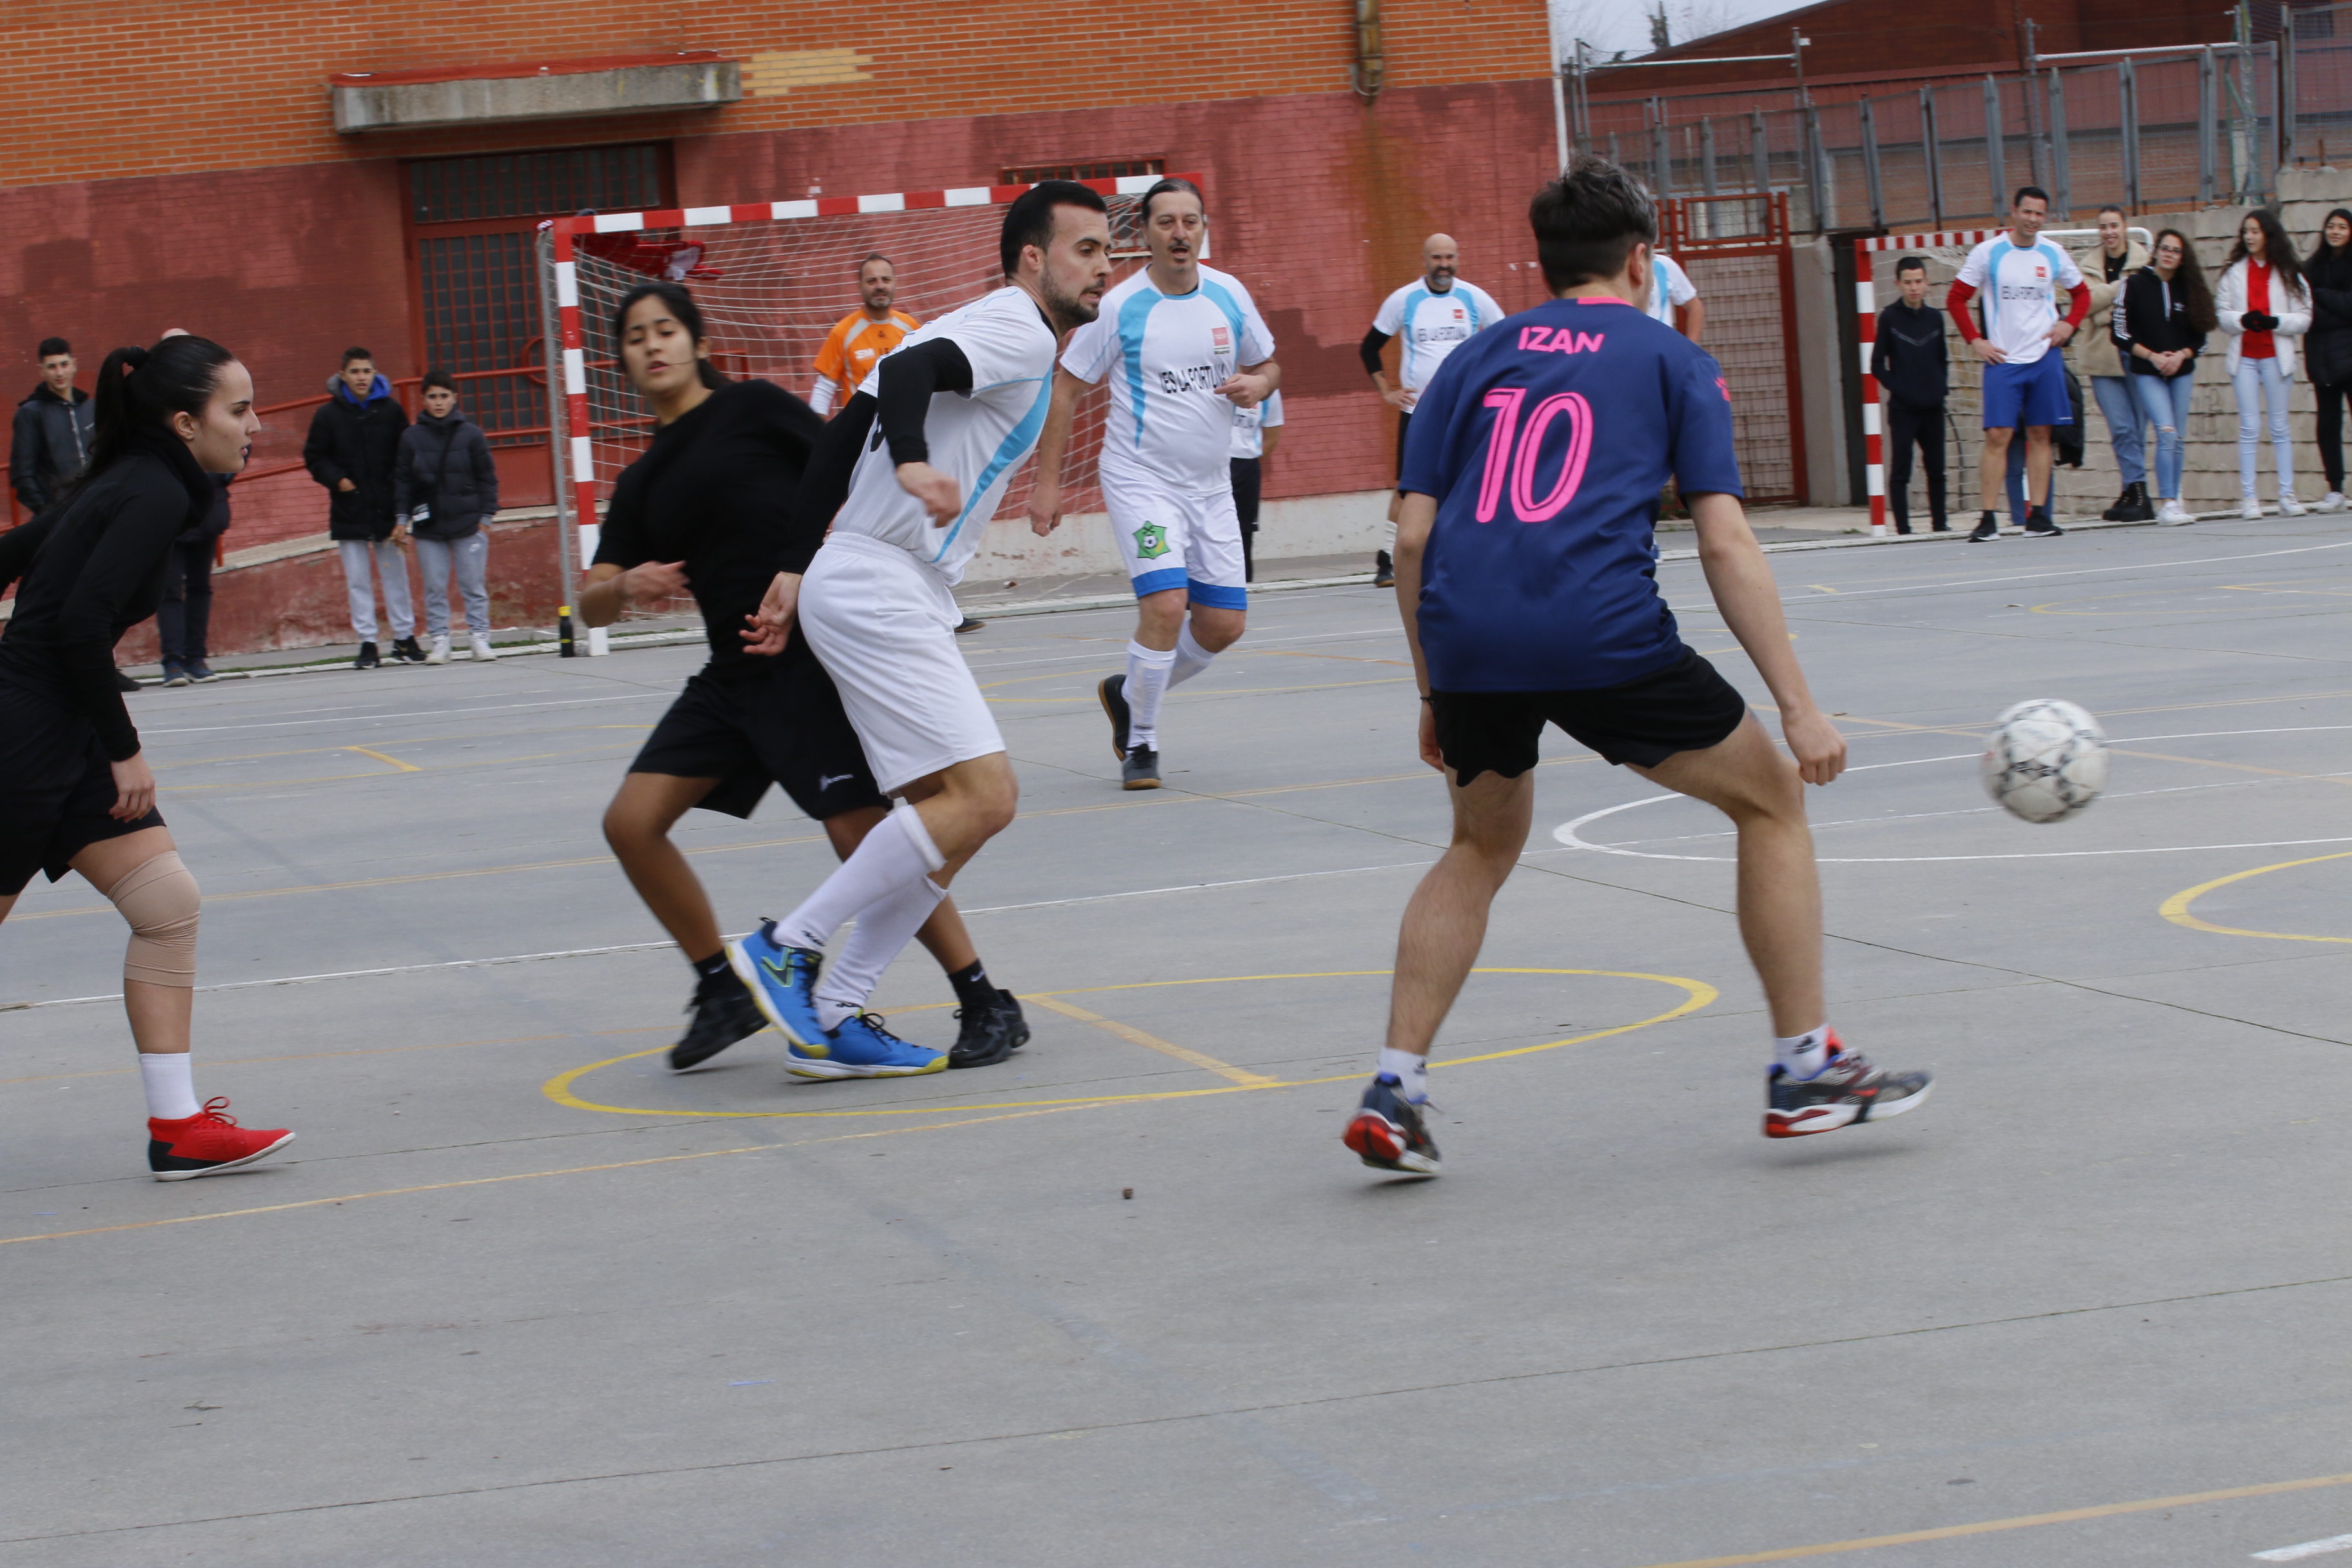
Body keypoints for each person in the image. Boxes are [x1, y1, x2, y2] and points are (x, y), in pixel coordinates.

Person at [1341, 156, 1931, 1177]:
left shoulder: (1473, 359)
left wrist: (1434, 686)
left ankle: (1395, 1089)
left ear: (1544, 261)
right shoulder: (1672, 359)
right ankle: (1806, 1069)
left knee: (1477, 847)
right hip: (1596, 629)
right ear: (1643, 261)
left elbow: (1412, 539)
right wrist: (1798, 707)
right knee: (1773, 801)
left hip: (1470, 634)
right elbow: (1725, 542)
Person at [583, 282, 1029, 1073]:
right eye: (636, 336)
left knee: (871, 833)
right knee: (630, 822)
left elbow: (840, 460)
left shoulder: (753, 409)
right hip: (730, 678)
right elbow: (589, 600)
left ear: (699, 343)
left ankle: (978, 993)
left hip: (805, 659)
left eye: (667, 329)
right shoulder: (642, 477)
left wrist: (817, 573)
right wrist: (623, 585)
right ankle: (722, 986)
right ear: (621, 361)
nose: (653, 345)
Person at [723, 182, 1112, 1074]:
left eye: (1106, 251)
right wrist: (909, 464)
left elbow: (847, 423)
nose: (1103, 267)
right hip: (880, 583)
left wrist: (797, 563)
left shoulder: (980, 327)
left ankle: (834, 1012)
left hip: (868, 577)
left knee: (955, 816)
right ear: (1032, 258)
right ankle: (788, 945)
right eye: (1086, 249)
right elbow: (899, 383)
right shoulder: (1018, 327)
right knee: (987, 797)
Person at [0, 335, 295, 1179]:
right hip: (28, 736)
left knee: (166, 904)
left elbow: (14, 564)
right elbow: (79, 626)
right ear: (184, 421)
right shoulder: (153, 491)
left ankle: (178, 1127)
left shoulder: (131, 480)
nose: (255, 426)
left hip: (62, 723)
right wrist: (126, 751)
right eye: (239, 410)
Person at [1034, 177, 1280, 790]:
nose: (1179, 233)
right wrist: (1048, 483)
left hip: (1211, 485)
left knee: (1223, 625)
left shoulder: (1228, 294)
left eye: (1189, 221)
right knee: (1168, 605)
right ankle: (1141, 742)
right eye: (1165, 221)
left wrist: (1260, 384)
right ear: (1143, 233)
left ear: (1204, 229)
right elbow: (1066, 387)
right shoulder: (1121, 307)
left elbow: (1268, 364)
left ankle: (1129, 694)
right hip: (1141, 480)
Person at [1946, 187, 2090, 542]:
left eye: (2039, 214)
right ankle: (1988, 519)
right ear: (2014, 211)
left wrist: (2068, 325)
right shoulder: (1988, 252)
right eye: (2027, 212)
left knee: (2042, 434)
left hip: (2044, 357)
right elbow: (1956, 298)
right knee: (1998, 435)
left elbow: (2082, 294)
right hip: (2003, 358)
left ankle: (2038, 517)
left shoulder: (2053, 253)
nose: (2033, 219)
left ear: (2046, 217)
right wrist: (1976, 340)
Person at [1362, 235, 1504, 585]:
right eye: (1437, 258)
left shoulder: (1474, 298)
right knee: (1409, 487)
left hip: (1465, 412)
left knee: (1470, 482)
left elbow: (1505, 340)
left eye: (1450, 257)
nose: (1444, 265)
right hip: (1419, 413)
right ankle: (1386, 560)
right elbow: (1369, 347)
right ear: (1425, 260)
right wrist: (1388, 392)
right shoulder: (1404, 300)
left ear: (1458, 259)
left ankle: (1466, 554)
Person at [303, 347, 419, 667]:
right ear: (343, 375)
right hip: (349, 508)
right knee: (358, 580)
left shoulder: (391, 411)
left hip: (387, 509)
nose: (361, 377)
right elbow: (314, 456)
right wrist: (339, 480)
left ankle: (404, 638)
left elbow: (405, 457)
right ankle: (368, 643)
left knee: (396, 576)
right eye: (354, 372)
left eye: (367, 371)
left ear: (375, 373)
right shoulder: (328, 415)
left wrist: (401, 506)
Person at [393, 370, 501, 664]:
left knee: (473, 585)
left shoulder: (471, 435)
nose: (438, 402)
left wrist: (486, 518)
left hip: (468, 523)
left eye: (444, 396)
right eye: (432, 397)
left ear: (455, 398)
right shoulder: (411, 437)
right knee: (434, 587)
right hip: (428, 526)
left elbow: (487, 477)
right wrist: (401, 519)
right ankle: (440, 640)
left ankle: (479, 638)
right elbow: (403, 482)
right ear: (423, 399)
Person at [2113, 226, 2216, 526]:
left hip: (2181, 372)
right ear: (2156, 251)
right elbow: (2119, 333)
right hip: (2149, 371)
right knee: (2166, 433)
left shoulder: (2190, 289)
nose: (2169, 255)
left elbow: (2202, 339)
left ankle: (2175, 499)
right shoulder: (2134, 284)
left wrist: (2181, 355)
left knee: (2178, 438)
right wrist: (2153, 357)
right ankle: (2168, 503)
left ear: (2183, 258)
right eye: (2165, 249)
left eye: (2176, 251)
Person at [2215, 209, 2313, 519]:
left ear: (2269, 234)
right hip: (2245, 358)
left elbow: (2305, 316)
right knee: (2249, 427)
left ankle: (2287, 495)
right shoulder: (2234, 272)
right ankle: (2249, 498)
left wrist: (2276, 322)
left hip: (2276, 356)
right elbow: (2222, 312)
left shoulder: (2288, 272)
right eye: (2246, 231)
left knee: (2280, 426)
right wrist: (2241, 320)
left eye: (2256, 231)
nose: (2250, 236)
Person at [2077, 206, 2153, 522]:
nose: (2109, 232)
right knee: (2121, 427)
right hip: (2102, 355)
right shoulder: (2087, 265)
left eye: (2114, 226)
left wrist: (2105, 302)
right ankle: (2138, 493)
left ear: (2125, 227)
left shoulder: (2145, 261)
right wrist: (2122, 288)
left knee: (2136, 427)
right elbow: (2086, 305)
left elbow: (2143, 306)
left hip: (2138, 351)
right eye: (2104, 227)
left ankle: (2131, 491)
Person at [1870, 256, 1950, 534]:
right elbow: (1877, 365)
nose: (1913, 288)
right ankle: (1903, 529)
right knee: (1901, 469)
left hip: (1933, 408)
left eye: (1918, 281)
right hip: (1903, 409)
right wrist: (1900, 388)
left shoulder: (1935, 317)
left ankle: (1940, 525)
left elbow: (1942, 359)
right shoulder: (1889, 318)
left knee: (1937, 469)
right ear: (1898, 284)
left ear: (1927, 283)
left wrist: (1940, 388)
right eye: (1908, 282)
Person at [810, 255, 918, 419]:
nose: (880, 286)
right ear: (860, 285)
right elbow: (824, 389)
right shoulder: (843, 332)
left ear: (894, 283)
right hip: (861, 430)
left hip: (905, 425)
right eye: (872, 281)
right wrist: (817, 430)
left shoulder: (911, 328)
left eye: (886, 280)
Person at [2301, 208, 2352, 514]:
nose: (2335, 231)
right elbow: (2306, 311)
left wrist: (2321, 294)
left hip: (2350, 356)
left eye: (2342, 227)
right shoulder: (2311, 267)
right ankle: (2335, 489)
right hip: (2322, 359)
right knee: (2328, 426)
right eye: (2331, 226)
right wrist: (2340, 312)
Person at [158, 473, 231, 686]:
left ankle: (196, 659)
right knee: (169, 591)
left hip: (207, 513)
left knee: (200, 588)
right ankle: (173, 662)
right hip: (169, 514)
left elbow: (237, 457)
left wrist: (220, 475)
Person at [11, 337, 95, 516]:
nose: (59, 373)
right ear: (42, 370)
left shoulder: (91, 408)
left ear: (74, 365)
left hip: (98, 507)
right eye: (52, 367)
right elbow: (22, 474)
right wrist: (47, 512)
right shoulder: (31, 413)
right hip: (59, 516)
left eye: (64, 364)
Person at [1230, 389, 1284, 580]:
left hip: (1246, 466)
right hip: (1212, 464)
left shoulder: (1268, 390)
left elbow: (1272, 437)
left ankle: (1244, 584)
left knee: (1244, 532)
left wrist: (1248, 461)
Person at [1644, 250, 1704, 341]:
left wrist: (1690, 347)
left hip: (1663, 345)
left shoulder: (1664, 264)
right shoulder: (1619, 269)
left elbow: (1695, 307)